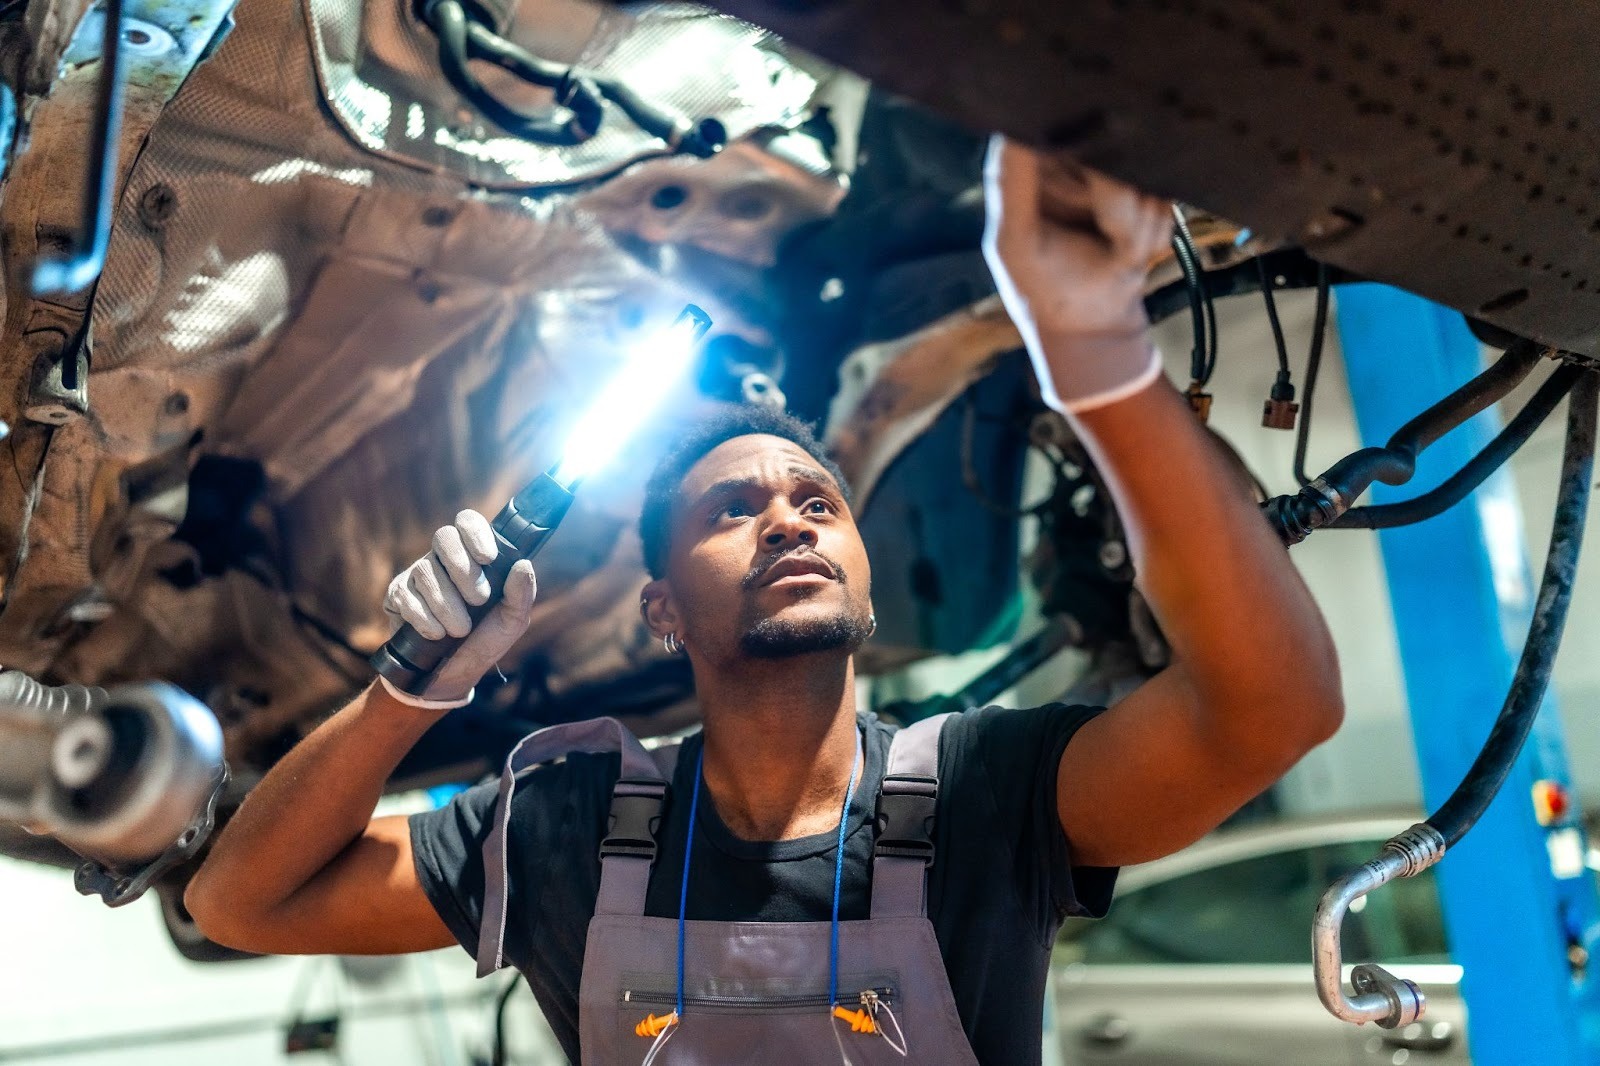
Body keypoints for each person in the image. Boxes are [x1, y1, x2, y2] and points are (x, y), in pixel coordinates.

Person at [185, 138, 1342, 1064]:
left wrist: (1094, 349)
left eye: (816, 501)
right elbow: (242, 902)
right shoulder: (561, 822)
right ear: (661, 613)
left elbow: (1271, 711)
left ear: (867, 581)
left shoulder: (988, 794)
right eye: (730, 508)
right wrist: (411, 686)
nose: (787, 516)